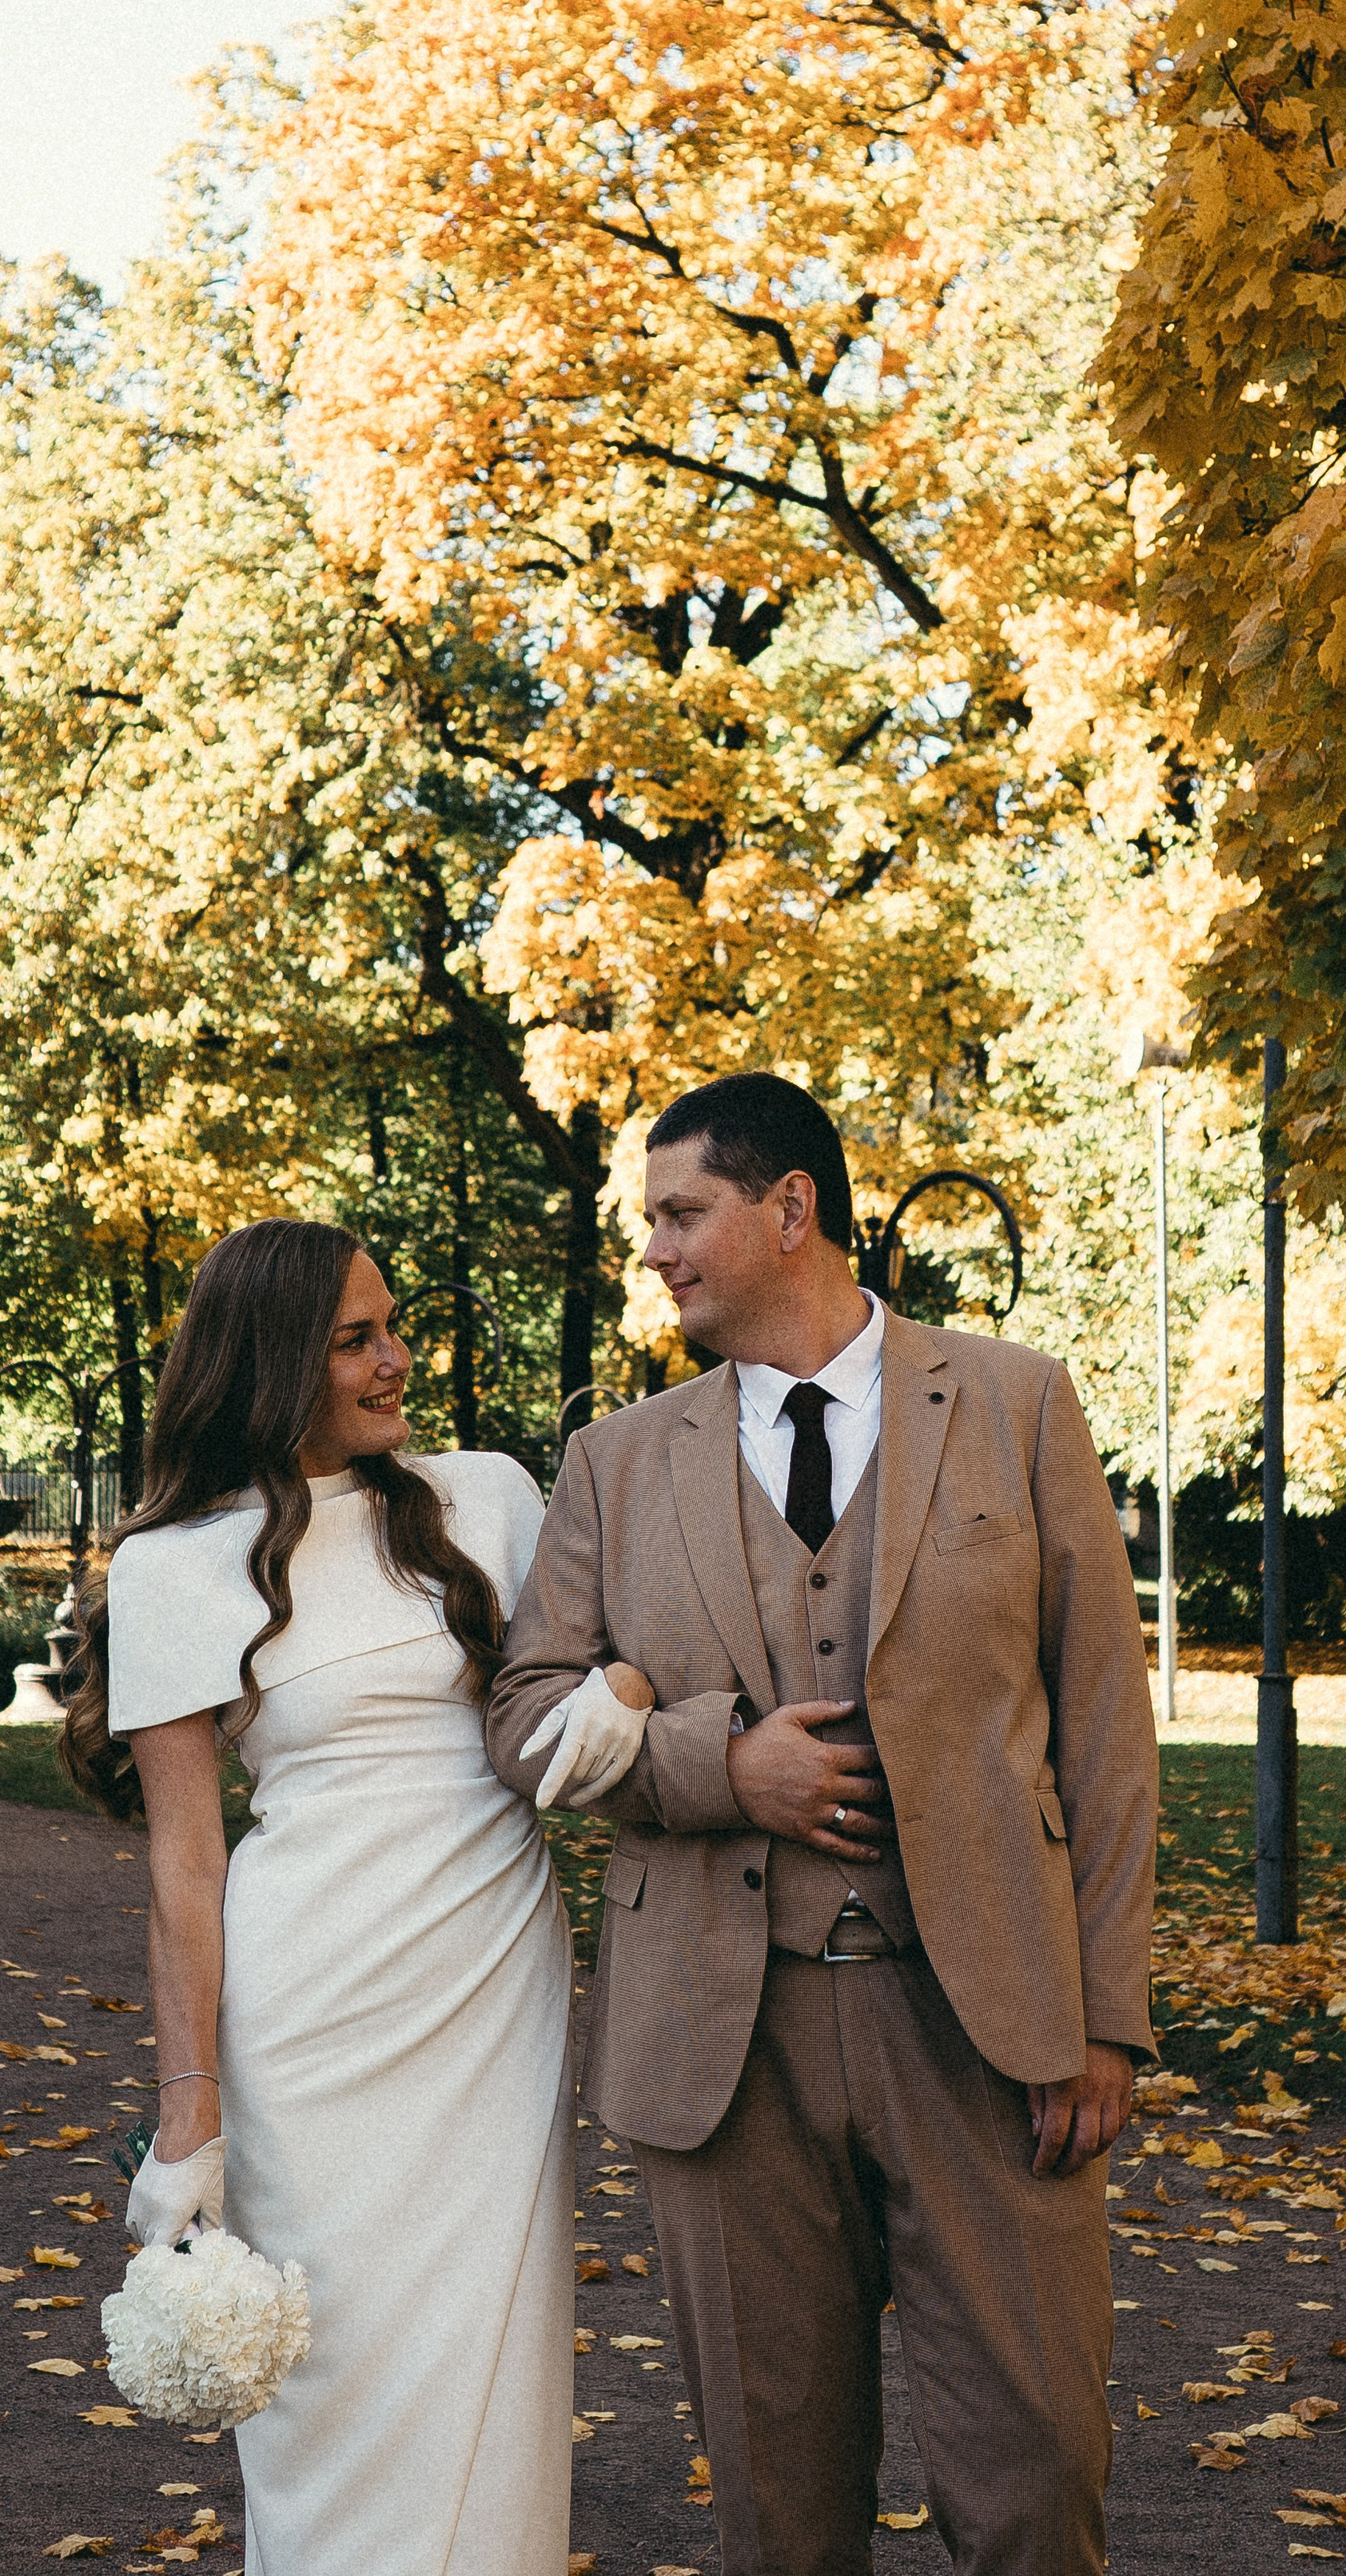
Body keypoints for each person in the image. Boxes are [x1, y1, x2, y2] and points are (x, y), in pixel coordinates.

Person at [487, 1075, 1160, 2576]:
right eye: (648, 1220)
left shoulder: (1016, 1401)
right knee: (781, 2516)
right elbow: (526, 1716)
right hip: (727, 2051)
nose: (654, 1251)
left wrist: (1107, 2019)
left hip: (986, 2027)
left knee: (1039, 2482)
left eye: (681, 1214)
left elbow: (1108, 1728)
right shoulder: (616, 1459)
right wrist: (725, 1769)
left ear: (793, 1208)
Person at [63, 1218, 619, 2576]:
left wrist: (633, 1705)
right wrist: (188, 2117)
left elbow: (578, 1699)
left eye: (394, 1325)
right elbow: (186, 1868)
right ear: (270, 1366)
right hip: (308, 2019)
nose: (395, 1359)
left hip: (492, 1991)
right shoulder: (174, 1565)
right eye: (354, 1340)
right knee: (335, 2394)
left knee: (496, 2380)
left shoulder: (486, 1496)